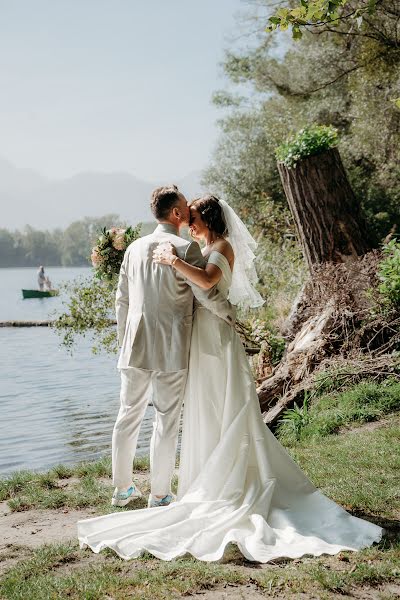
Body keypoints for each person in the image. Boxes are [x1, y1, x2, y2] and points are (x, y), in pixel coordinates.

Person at [78, 195, 382, 563]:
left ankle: (135, 488)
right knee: (182, 415)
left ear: (204, 219)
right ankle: (167, 489)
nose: (188, 222)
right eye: (185, 215)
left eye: (193, 217)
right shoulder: (194, 245)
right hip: (187, 342)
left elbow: (198, 285)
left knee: (200, 407)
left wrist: (171, 269)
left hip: (205, 341)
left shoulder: (208, 247)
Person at [106, 185, 234, 510]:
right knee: (165, 421)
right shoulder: (185, 247)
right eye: (184, 210)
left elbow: (121, 300)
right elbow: (206, 294)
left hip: (133, 345)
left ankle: (122, 490)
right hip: (172, 347)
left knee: (127, 415)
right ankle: (159, 494)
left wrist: (125, 340)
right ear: (176, 214)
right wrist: (231, 314)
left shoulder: (133, 249)